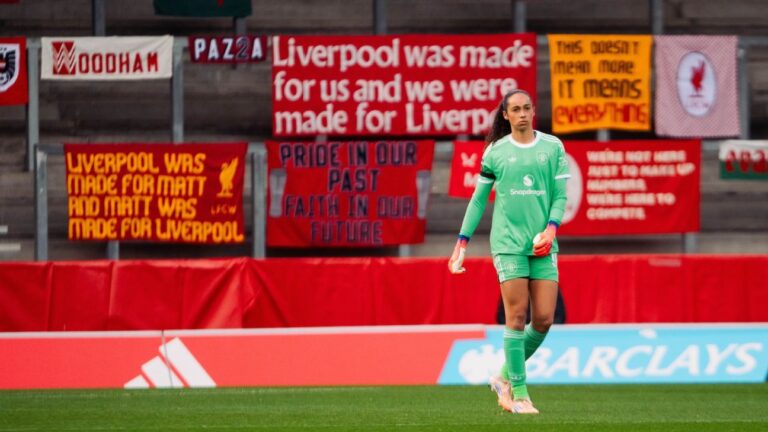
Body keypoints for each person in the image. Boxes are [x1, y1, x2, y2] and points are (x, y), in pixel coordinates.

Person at [448, 89, 570, 415]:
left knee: (543, 319)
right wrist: (462, 242)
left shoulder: (552, 147)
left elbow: (560, 195)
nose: (522, 114)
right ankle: (519, 394)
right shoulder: (496, 153)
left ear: (533, 111)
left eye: (526, 108)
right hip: (508, 245)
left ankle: (502, 376)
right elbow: (477, 201)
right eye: (515, 109)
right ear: (505, 115)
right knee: (516, 317)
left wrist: (551, 228)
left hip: (543, 243)